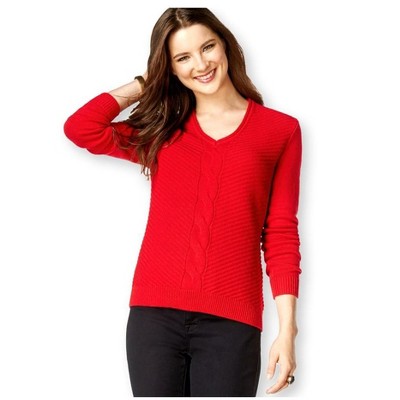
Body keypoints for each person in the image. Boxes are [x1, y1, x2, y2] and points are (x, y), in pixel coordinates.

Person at [64, 7, 302, 397]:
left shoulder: (279, 131)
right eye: (183, 57)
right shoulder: (163, 131)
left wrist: (287, 330)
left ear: (225, 45)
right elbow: (81, 128)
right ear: (171, 68)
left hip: (232, 323)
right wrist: (146, 82)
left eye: (208, 47)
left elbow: (280, 233)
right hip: (154, 318)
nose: (201, 65)